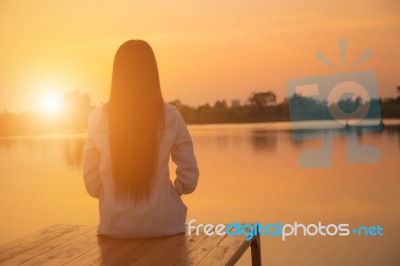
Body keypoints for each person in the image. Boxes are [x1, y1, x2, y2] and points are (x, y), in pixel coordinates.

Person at [82, 40, 199, 239]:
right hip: (165, 225)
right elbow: (189, 175)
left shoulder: (98, 118)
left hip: (114, 227)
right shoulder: (170, 116)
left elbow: (91, 181)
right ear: (152, 73)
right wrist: (173, 193)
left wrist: (109, 196)